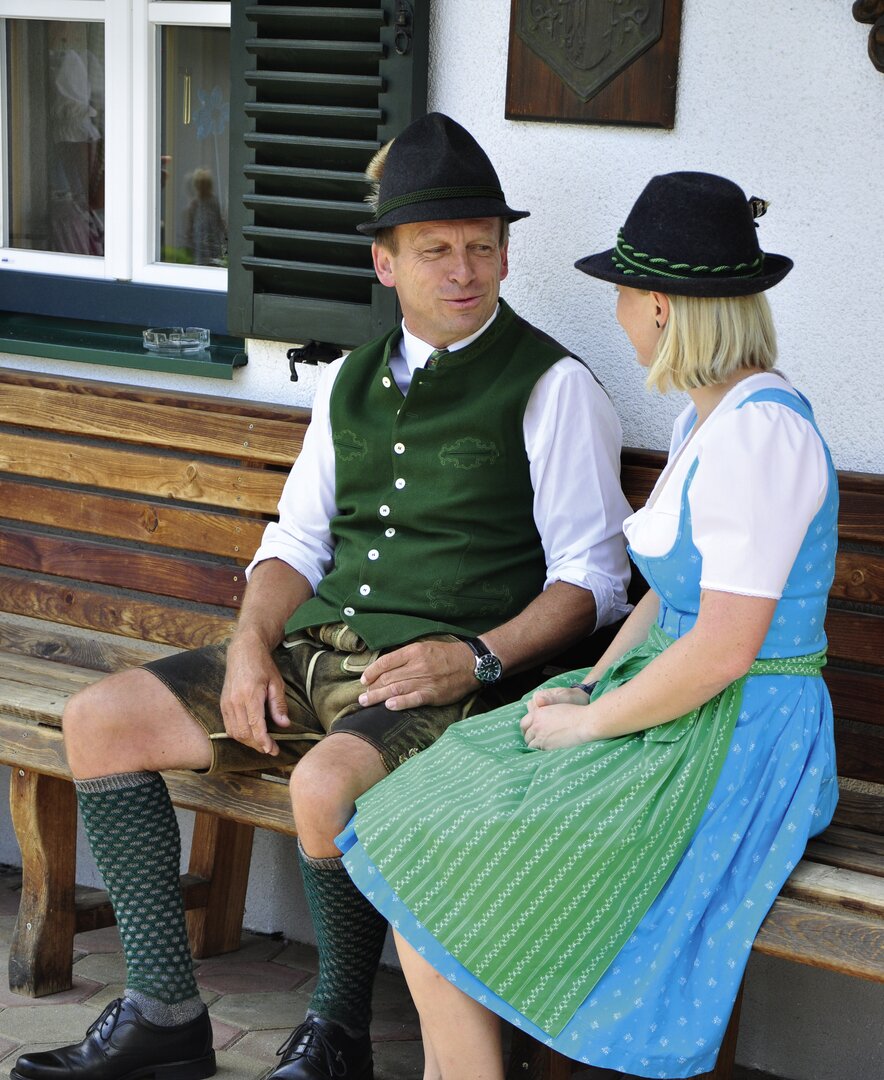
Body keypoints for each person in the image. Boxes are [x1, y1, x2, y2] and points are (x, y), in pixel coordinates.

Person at [11, 113, 631, 1080]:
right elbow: (294, 543)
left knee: (322, 784)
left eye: (483, 248)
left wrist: (474, 656)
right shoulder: (346, 382)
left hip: (452, 683)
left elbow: (593, 581)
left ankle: (335, 1032)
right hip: (318, 651)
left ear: (507, 256)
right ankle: (165, 1017)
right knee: (100, 721)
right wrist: (252, 643)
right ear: (386, 265)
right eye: (436, 251)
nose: (464, 271)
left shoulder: (553, 387)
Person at [337, 171, 840, 1079]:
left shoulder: (765, 434)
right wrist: (593, 677)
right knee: (419, 813)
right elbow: (666, 594)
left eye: (620, 293)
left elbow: (724, 647)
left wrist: (591, 722)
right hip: (680, 698)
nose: (614, 313)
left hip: (738, 735)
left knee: (452, 854)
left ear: (659, 306)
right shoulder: (711, 417)